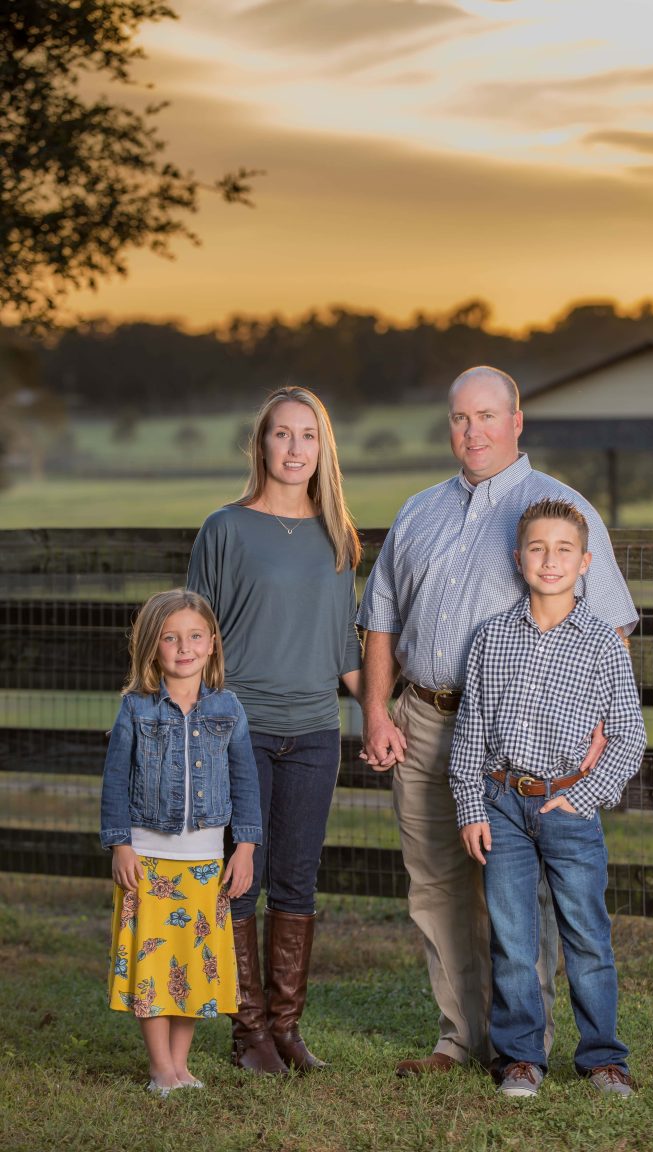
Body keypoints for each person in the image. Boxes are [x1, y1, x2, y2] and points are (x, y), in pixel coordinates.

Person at [357, 365, 638, 1077]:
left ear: (517, 421)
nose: (472, 430)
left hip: (518, 742)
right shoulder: (419, 510)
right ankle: (459, 1036)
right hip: (422, 721)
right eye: (460, 418)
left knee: (516, 893)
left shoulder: (558, 510)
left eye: (487, 415)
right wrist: (376, 713)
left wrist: (596, 731)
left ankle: (525, 1045)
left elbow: (609, 629)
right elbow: (381, 619)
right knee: (435, 886)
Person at [187, 385, 362, 1076]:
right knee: (240, 879)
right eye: (282, 435)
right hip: (240, 730)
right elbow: (195, 636)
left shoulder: (338, 536)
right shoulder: (224, 529)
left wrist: (382, 713)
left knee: (297, 878)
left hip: (317, 730)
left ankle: (287, 1028)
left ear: (324, 450)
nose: (295, 449)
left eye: (308, 436)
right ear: (261, 444)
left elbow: (344, 650)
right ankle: (247, 1033)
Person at [449, 498, 646, 1098]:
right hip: (503, 801)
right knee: (512, 936)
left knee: (585, 933)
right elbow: (469, 731)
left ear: (586, 562)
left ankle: (602, 1058)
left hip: (569, 805)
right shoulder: (492, 637)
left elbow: (629, 734)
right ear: (519, 559)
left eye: (564, 550)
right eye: (537, 548)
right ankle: (520, 1059)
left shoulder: (602, 643)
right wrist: (470, 806)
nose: (550, 560)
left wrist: (586, 795)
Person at [100, 589, 261, 1097]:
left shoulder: (228, 708)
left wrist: (246, 847)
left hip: (205, 864)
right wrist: (120, 845)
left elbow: (246, 782)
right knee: (153, 965)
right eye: (170, 638)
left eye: (194, 636)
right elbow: (114, 784)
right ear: (152, 647)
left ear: (212, 643)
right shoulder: (136, 709)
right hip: (148, 860)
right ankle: (160, 1068)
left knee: (193, 965)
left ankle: (182, 1065)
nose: (183, 646)